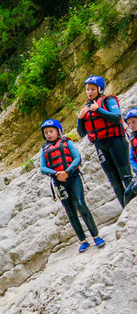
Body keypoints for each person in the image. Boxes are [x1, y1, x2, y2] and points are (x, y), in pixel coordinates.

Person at [39, 119, 105, 252]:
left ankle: (96, 235)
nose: (49, 134)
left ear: (58, 131)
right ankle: (83, 240)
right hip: (59, 182)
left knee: (80, 204)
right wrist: (57, 173)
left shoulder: (67, 142)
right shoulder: (44, 149)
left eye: (51, 131)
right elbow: (43, 167)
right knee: (70, 211)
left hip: (73, 177)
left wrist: (67, 171)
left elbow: (77, 158)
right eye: (46, 133)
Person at [77, 75, 133, 207]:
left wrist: (99, 110)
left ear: (100, 89)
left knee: (126, 176)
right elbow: (81, 133)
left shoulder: (109, 100)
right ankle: (126, 208)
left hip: (116, 141)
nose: (89, 92)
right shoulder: (86, 108)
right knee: (114, 182)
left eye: (92, 89)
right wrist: (80, 119)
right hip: (101, 146)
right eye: (87, 89)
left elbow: (116, 117)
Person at [122, 108, 137, 205]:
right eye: (129, 123)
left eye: (134, 122)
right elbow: (131, 159)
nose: (131, 125)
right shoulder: (133, 138)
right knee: (127, 194)